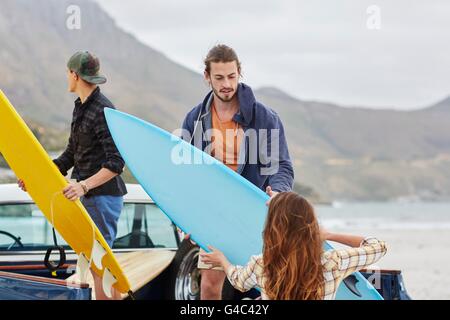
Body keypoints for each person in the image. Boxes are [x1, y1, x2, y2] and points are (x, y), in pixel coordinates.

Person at [181, 44, 294, 300]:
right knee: (209, 285)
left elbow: (281, 165)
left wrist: (278, 192)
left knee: (267, 285)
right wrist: (185, 215)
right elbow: (186, 175)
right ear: (207, 77)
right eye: (219, 78)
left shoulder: (264, 117)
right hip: (215, 213)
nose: (226, 84)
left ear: (239, 73)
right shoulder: (195, 119)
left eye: (231, 76)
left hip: (255, 211)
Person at [19, 51, 127, 300]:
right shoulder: (80, 107)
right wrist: (34, 179)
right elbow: (70, 156)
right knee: (92, 264)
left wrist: (83, 187)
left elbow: (116, 162)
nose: (67, 78)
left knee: (102, 268)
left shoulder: (102, 109)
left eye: (68, 73)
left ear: (74, 75)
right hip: (87, 198)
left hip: (102, 199)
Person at [200, 192, 388, 300]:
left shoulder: (263, 263)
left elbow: (238, 280)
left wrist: (222, 260)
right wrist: (329, 234)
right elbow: (378, 246)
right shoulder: (332, 262)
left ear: (273, 228)